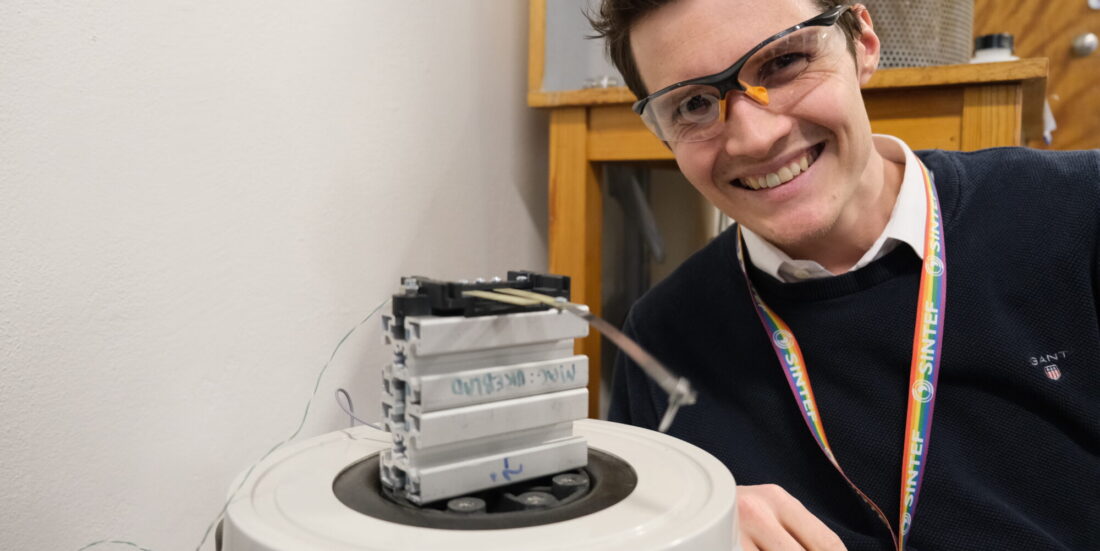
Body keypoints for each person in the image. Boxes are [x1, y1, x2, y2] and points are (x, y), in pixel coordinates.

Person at [589, 1, 1100, 549]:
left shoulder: (1077, 215)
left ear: (863, 43)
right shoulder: (662, 335)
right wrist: (694, 528)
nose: (755, 138)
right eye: (692, 103)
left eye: (782, 63)